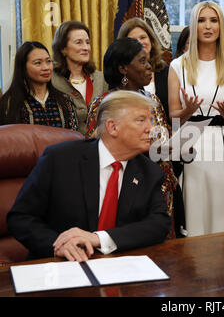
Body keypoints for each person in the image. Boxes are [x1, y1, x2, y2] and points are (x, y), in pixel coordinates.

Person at [7, 90, 171, 261]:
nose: (151, 129)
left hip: (118, 267)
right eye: (141, 120)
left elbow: (159, 224)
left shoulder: (150, 172)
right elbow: (20, 218)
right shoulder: (60, 159)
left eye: (150, 121)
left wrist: (98, 238)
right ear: (113, 127)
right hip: (60, 266)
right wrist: (57, 245)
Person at [86, 37, 183, 238]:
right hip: (125, 186)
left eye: (149, 61)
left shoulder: (152, 99)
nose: (149, 67)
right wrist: (151, 148)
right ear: (123, 68)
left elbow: (163, 137)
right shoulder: (105, 103)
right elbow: (96, 149)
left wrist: (178, 148)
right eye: (142, 61)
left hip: (161, 185)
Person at [168, 1, 224, 236]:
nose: (208, 26)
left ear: (221, 26)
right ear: (194, 25)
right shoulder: (177, 66)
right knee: (196, 204)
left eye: (214, 20)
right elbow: (173, 115)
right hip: (190, 142)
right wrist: (187, 111)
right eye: (202, 20)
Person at [0, 41, 78, 130]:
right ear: (23, 67)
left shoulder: (65, 101)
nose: (46, 68)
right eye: (38, 63)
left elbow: (74, 138)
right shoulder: (9, 103)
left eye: (48, 61)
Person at [52, 21, 108, 135]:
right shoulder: (52, 80)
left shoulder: (101, 78)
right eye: (79, 43)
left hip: (98, 145)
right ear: (63, 49)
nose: (86, 48)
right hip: (67, 145)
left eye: (87, 42)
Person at [117, 18, 171, 122]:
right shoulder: (121, 74)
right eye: (133, 40)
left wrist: (176, 133)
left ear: (151, 40)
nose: (140, 43)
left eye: (143, 37)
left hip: (168, 134)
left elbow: (176, 111)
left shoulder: (167, 72)